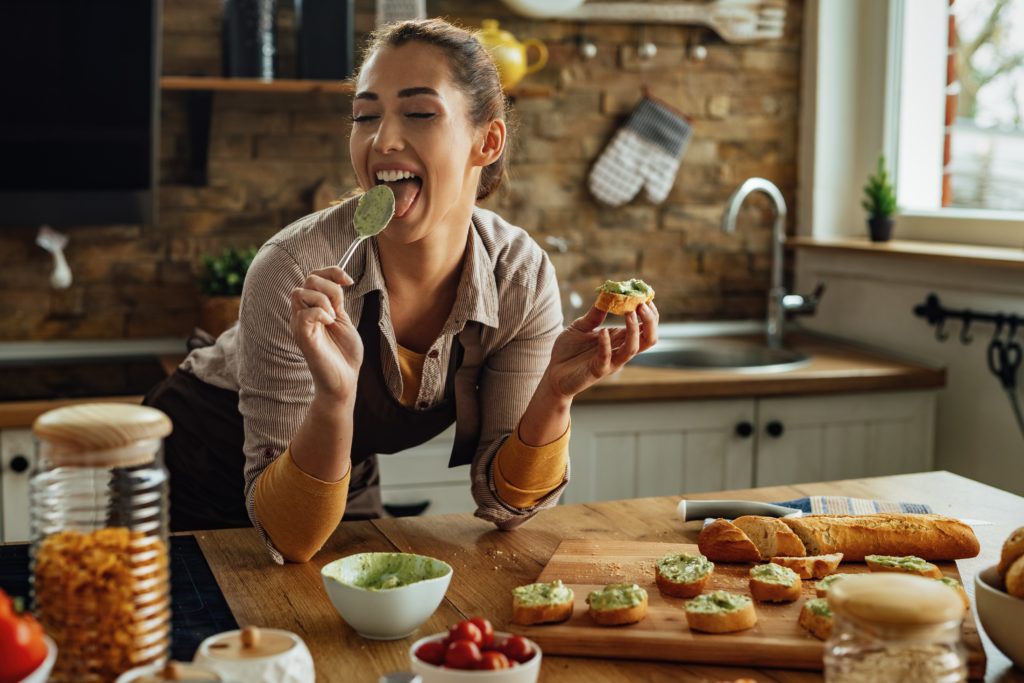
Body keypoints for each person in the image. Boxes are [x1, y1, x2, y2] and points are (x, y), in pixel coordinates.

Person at [144, 18, 658, 564]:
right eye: (365, 116)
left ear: (487, 141)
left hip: (337, 460)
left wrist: (554, 395)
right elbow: (287, 537)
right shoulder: (293, 269)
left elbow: (507, 504)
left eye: (418, 113)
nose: (382, 138)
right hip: (198, 469)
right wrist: (334, 397)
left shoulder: (520, 277)